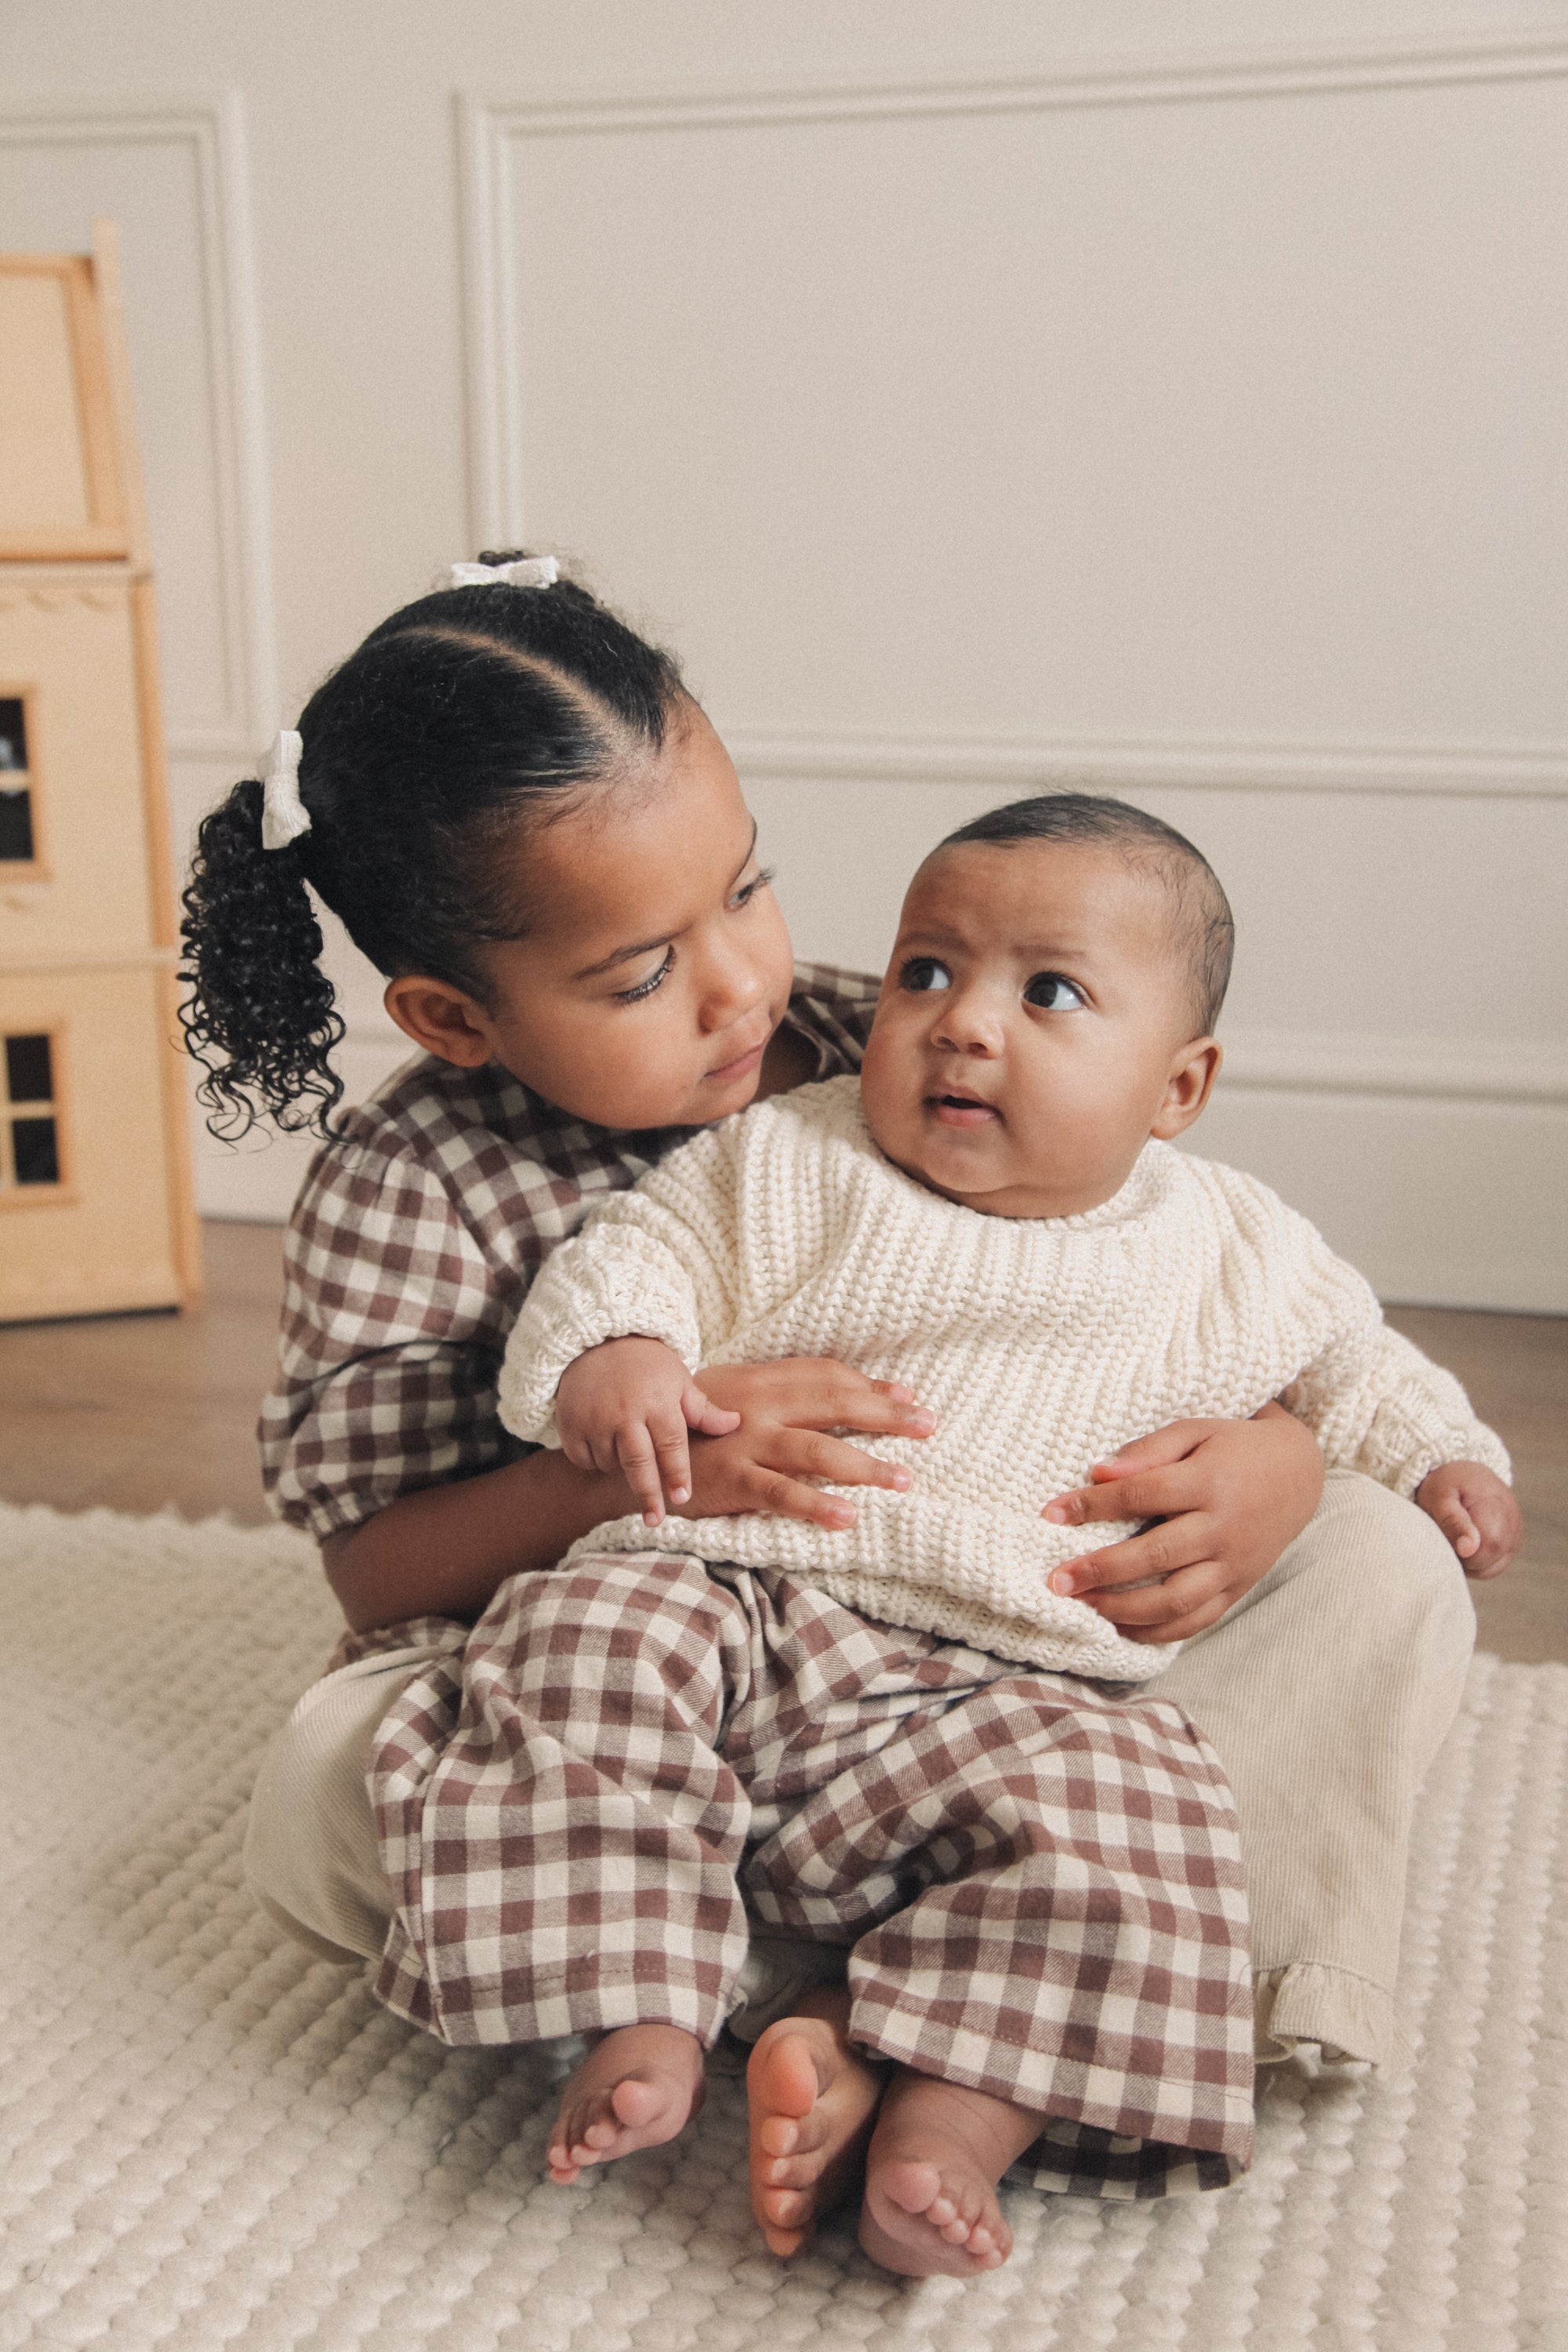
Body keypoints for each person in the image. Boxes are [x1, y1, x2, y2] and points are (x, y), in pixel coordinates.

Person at [176, 557, 1515, 2270]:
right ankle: (923, 1997)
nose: (743, 984)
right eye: (645, 967)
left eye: (747, 892)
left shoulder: (871, 1037)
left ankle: (920, 1972)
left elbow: (1151, 1286)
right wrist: (654, 1473)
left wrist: (1277, 1460)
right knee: (324, 1787)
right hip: (647, 1673)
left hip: (990, 1645)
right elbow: (378, 1582)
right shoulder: (409, 1189)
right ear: (454, 1018)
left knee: (1386, 1566)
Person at [485, 793, 1514, 2271]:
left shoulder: (1230, 1243)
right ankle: (641, 1988)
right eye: (925, 971)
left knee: (1137, 1821)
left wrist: (1441, 1456)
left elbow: (1356, 1365)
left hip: (1020, 1685)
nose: (963, 1025)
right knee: (569, 1645)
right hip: (748, 1606)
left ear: (1178, 1088)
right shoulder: (791, 1157)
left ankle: (958, 2119)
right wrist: (622, 1360)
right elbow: (637, 1252)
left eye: (1048, 993)